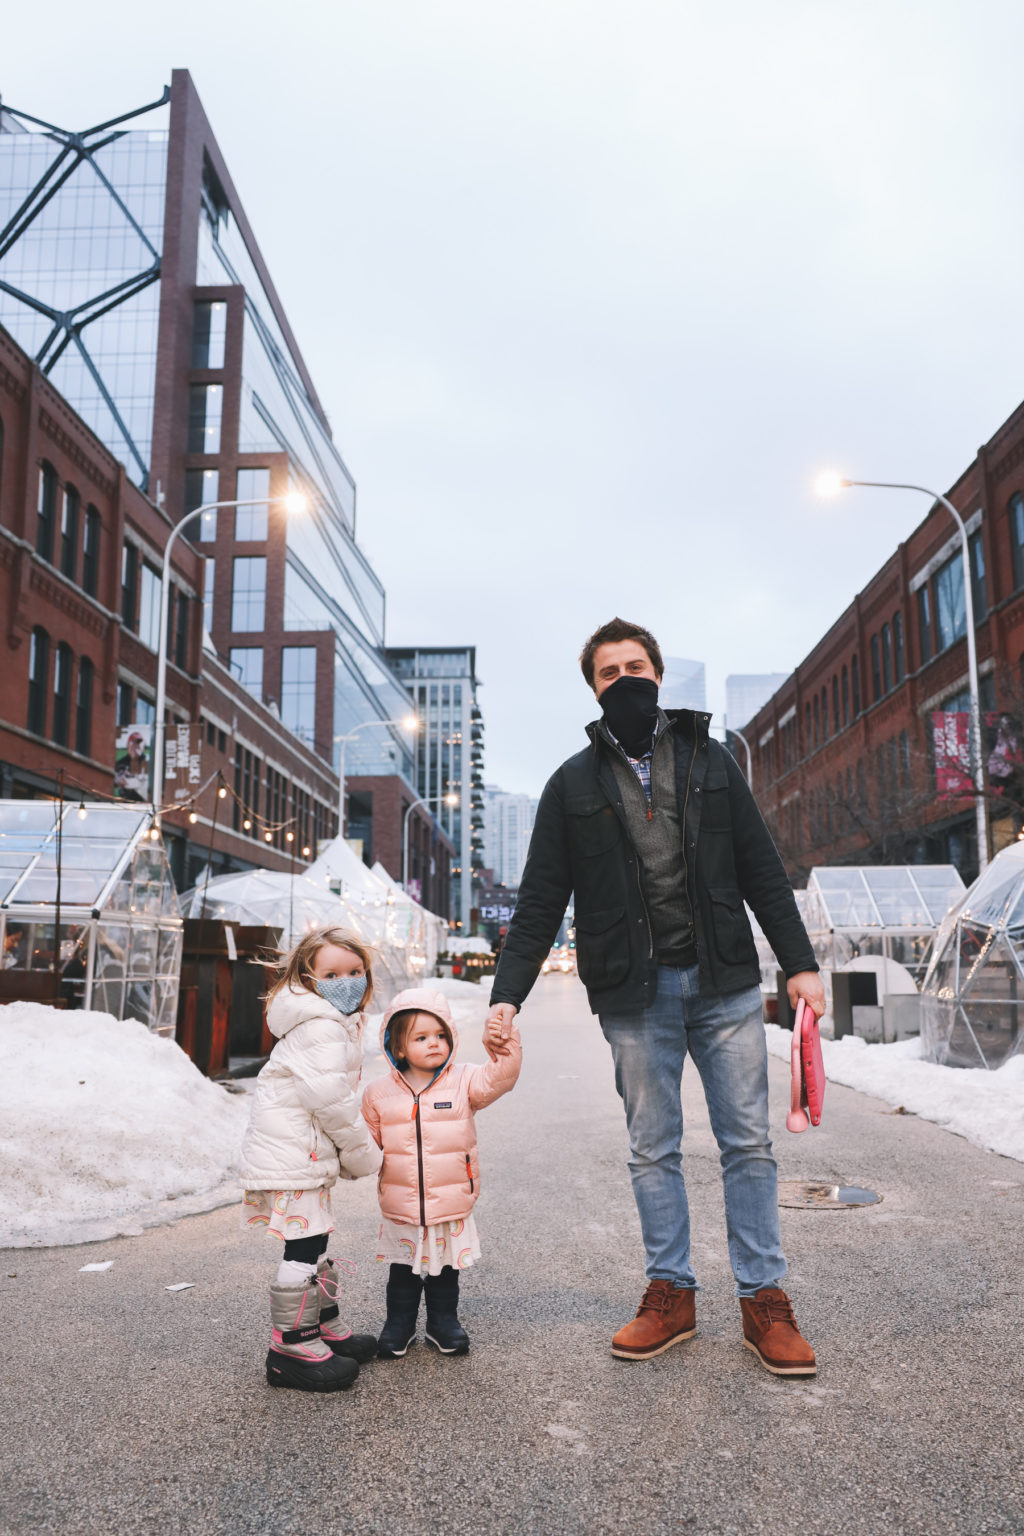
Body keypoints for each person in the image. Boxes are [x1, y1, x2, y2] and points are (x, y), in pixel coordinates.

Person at [487, 617, 826, 1377]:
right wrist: (506, 995)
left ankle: (763, 1301)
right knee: (652, 1148)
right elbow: (540, 900)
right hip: (633, 993)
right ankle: (671, 1292)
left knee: (748, 1144)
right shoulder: (571, 782)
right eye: (610, 673)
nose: (625, 679)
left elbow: (761, 866)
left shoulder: (711, 759)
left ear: (658, 674)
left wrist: (799, 963)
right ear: (596, 689)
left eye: (635, 666)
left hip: (725, 982)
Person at [240, 926, 382, 1394]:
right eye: (333, 973)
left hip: (302, 1149)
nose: (347, 980)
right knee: (303, 1243)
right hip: (293, 1153)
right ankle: (291, 1349)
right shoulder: (321, 1025)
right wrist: (363, 1154)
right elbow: (332, 1099)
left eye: (355, 971)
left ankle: (324, 1328)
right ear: (309, 978)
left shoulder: (329, 1020)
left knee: (315, 1238)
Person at [361, 987, 521, 1359]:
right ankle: (398, 1324)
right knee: (402, 1271)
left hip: (450, 1201)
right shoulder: (378, 1094)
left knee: (444, 1270)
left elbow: (501, 1077)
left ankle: (442, 1321)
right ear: (397, 1047)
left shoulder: (464, 1081)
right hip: (401, 1203)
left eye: (440, 1035)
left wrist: (505, 1044)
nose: (434, 1044)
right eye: (421, 1038)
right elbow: (365, 1147)